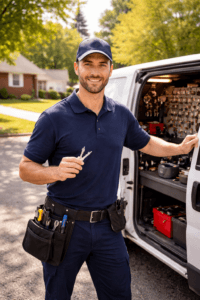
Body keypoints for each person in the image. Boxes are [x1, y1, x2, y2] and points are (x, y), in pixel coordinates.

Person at [19, 38, 198, 300]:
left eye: (102, 64)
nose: (95, 71)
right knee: (57, 295)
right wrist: (55, 172)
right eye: (88, 63)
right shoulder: (53, 118)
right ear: (76, 68)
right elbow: (25, 169)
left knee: (119, 295)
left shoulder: (120, 115)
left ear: (110, 69)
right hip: (64, 225)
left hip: (108, 227)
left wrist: (179, 149)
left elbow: (147, 143)